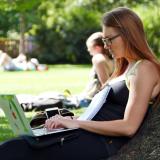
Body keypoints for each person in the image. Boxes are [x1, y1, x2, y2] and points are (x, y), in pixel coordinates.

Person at [0, 7, 160, 160]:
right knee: (15, 145)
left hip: (100, 142)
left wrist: (75, 123)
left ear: (128, 34)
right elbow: (98, 114)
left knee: (15, 149)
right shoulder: (124, 67)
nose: (105, 45)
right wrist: (64, 120)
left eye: (109, 39)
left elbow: (129, 127)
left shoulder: (144, 68)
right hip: (85, 135)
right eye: (104, 40)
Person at [78, 31, 114, 107]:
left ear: (97, 48)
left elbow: (105, 85)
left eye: (89, 48)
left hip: (91, 100)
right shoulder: (112, 59)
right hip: (94, 98)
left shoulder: (98, 58)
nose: (88, 50)